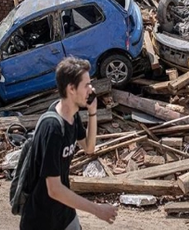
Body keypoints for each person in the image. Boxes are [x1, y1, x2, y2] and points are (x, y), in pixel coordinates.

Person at [20, 56, 118, 230]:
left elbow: (89, 148)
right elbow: (54, 189)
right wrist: (97, 210)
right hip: (41, 220)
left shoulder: (73, 117)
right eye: (86, 85)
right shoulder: (53, 129)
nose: (91, 89)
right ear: (71, 89)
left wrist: (92, 112)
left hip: (64, 212)